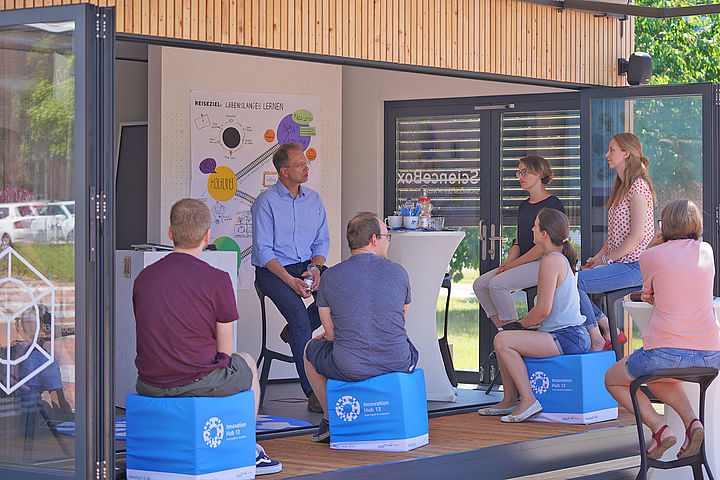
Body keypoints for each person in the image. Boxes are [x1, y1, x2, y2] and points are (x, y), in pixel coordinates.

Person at [133, 198, 281, 475]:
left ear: (170, 233)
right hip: (197, 381)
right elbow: (225, 353)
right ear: (207, 236)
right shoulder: (217, 278)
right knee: (247, 361)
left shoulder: (144, 277)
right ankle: (248, 448)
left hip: (149, 383)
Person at [605, 199, 720, 460]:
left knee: (613, 378)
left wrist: (651, 245)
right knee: (658, 376)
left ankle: (659, 429)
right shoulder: (707, 250)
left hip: (666, 352)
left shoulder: (651, 255)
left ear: (664, 226)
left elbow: (648, 294)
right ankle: (693, 424)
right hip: (710, 354)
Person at [303, 212, 418, 442]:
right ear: (374, 239)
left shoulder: (331, 276)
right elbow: (400, 321)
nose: (387, 241)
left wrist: (346, 331)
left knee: (310, 350)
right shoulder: (399, 272)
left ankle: (329, 420)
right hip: (397, 362)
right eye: (387, 236)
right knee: (409, 346)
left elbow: (332, 334)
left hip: (350, 366)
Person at [478, 208, 590, 422]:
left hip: (568, 336)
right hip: (565, 334)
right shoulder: (556, 258)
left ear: (544, 233)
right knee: (504, 336)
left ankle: (527, 400)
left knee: (503, 338)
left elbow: (542, 310)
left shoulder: (551, 261)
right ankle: (509, 400)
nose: (532, 228)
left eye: (536, 225)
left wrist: (517, 326)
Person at [251, 142, 330, 413]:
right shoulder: (265, 202)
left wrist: (317, 268)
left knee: (336, 296)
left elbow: (322, 241)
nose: (306, 168)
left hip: (306, 266)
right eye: (300, 164)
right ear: (284, 171)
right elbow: (263, 251)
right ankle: (313, 391)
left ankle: (296, 332)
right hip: (273, 270)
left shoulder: (314, 199)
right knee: (298, 318)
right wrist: (290, 280)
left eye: (306, 163)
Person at [578, 132, 655, 351]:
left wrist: (606, 259)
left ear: (626, 153)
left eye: (612, 149)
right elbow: (614, 236)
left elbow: (637, 236)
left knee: (575, 282)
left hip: (634, 267)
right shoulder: (623, 187)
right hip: (621, 263)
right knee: (571, 281)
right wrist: (599, 258)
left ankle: (599, 335)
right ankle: (610, 330)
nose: (607, 154)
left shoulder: (638, 188)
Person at [473, 156, 565, 329]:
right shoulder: (523, 206)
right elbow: (518, 242)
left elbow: (541, 248)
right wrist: (507, 264)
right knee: (480, 285)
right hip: (524, 262)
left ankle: (514, 332)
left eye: (524, 172)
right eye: (518, 172)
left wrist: (513, 265)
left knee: (498, 284)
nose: (520, 177)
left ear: (539, 174)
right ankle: (504, 329)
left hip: (544, 262)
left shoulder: (553, 204)